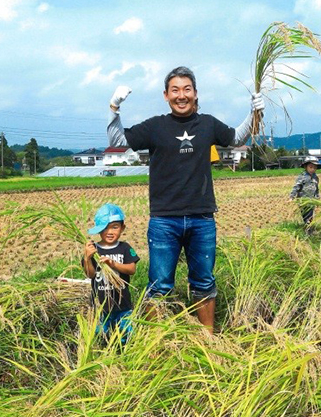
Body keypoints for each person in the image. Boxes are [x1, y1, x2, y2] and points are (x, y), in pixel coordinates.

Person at [106, 66, 265, 334]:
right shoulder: (156, 126)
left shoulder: (208, 124)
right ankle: (157, 343)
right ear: (166, 95)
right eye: (175, 90)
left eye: (187, 89)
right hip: (164, 220)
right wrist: (114, 107)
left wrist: (255, 113)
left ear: (195, 93)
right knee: (159, 285)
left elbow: (237, 137)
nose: (182, 95)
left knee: (203, 281)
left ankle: (208, 340)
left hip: (202, 218)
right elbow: (118, 141)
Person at [82, 203, 140, 344]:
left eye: (114, 227)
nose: (110, 232)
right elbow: (90, 274)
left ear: (122, 228)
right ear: (98, 230)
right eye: (105, 227)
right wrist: (87, 257)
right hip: (100, 305)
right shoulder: (93, 249)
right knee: (101, 335)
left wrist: (112, 264)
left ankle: (125, 355)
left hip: (123, 304)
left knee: (127, 334)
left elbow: (132, 269)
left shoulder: (125, 248)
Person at [289, 155, 321, 227]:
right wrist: (292, 196)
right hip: (303, 200)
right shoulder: (302, 177)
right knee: (306, 216)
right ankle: (307, 227)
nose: (313, 169)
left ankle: (308, 227)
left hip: (312, 200)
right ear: (305, 167)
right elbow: (296, 187)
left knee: (310, 216)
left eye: (315, 167)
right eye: (311, 167)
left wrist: (318, 198)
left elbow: (316, 189)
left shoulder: (315, 178)